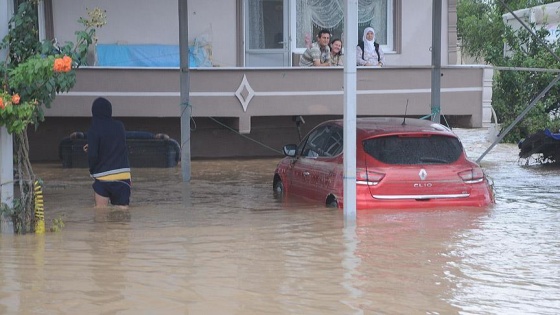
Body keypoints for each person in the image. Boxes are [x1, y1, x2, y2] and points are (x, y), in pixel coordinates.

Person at [83, 97, 131, 209]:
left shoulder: (93, 130)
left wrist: (92, 170)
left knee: (100, 213)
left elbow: (93, 155)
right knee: (122, 215)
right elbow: (115, 144)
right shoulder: (120, 126)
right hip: (122, 177)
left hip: (102, 177)